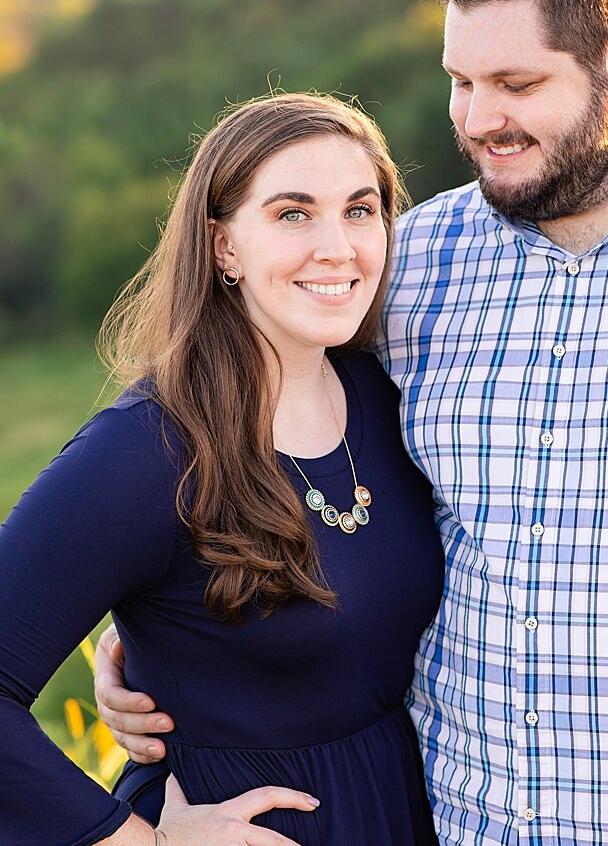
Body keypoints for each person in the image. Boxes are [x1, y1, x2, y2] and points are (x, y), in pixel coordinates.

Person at [98, 0, 608, 845]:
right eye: (461, 82)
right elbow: (267, 445)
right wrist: (161, 640)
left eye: (516, 85)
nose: (479, 121)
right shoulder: (408, 263)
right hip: (449, 822)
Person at [0, 94, 444, 844]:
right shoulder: (146, 450)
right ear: (222, 248)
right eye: (292, 215)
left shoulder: (397, 399)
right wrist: (138, 841)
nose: (337, 246)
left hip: (403, 812)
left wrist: (145, 647)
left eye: (360, 210)